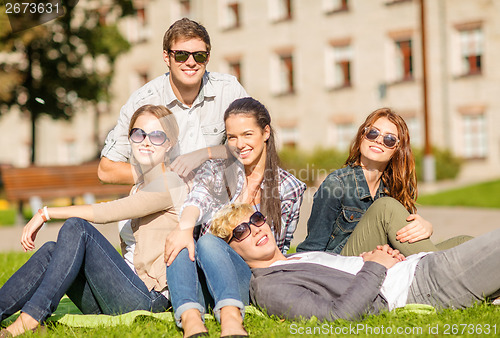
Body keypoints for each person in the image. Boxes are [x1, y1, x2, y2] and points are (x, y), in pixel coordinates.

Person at [0, 105, 188, 337]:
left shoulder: (170, 182)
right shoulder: (139, 186)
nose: (146, 141)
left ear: (169, 144)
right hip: (119, 294)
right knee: (51, 250)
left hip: (148, 298)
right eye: (138, 134)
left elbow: (109, 211)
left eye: (156, 136)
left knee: (77, 227)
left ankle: (31, 317)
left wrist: (45, 213)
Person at [211, 203, 500, 322]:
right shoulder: (270, 287)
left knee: (465, 239)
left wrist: (373, 259)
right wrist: (377, 266)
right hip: (423, 285)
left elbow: (343, 277)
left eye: (256, 219)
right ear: (231, 251)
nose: (256, 229)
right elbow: (338, 317)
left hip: (416, 269)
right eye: (240, 231)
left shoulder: (296, 257)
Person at [164, 97, 306, 337]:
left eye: (247, 134)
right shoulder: (216, 170)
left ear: (266, 132)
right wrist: (185, 227)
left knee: (209, 241)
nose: (240, 144)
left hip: (248, 281)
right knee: (181, 238)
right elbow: (197, 199)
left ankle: (231, 318)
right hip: (205, 276)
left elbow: (281, 246)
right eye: (232, 137)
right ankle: (191, 321)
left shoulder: (290, 188)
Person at [297, 108, 471, 256]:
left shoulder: (395, 188)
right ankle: (438, 271)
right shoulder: (336, 185)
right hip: (345, 269)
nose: (379, 140)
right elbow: (312, 249)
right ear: (362, 136)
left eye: (389, 139)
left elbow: (405, 242)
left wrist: (426, 226)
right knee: (384, 207)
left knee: (465, 242)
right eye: (372, 133)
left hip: (386, 266)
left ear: (397, 150)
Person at [98, 17, 248, 185]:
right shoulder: (143, 102)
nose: (191, 62)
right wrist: (167, 176)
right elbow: (106, 170)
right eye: (181, 55)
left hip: (218, 199)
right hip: (163, 200)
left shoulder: (229, 91)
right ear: (166, 57)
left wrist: (207, 153)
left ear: (207, 58)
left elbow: (254, 144)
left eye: (199, 56)